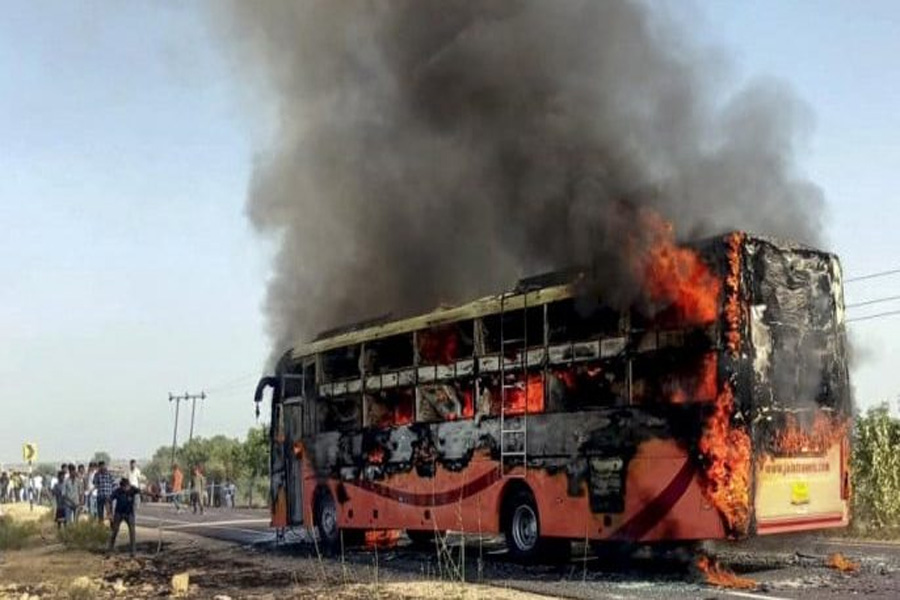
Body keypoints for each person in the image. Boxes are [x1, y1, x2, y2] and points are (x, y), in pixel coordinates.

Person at [107, 477, 139, 557]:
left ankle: (133, 552)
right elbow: (108, 500)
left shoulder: (133, 489)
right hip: (119, 513)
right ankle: (110, 549)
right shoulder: (117, 491)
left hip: (129, 514)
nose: (127, 488)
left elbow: (143, 492)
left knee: (132, 532)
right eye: (125, 487)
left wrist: (154, 494)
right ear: (122, 487)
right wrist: (109, 513)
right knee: (115, 531)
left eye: (128, 486)